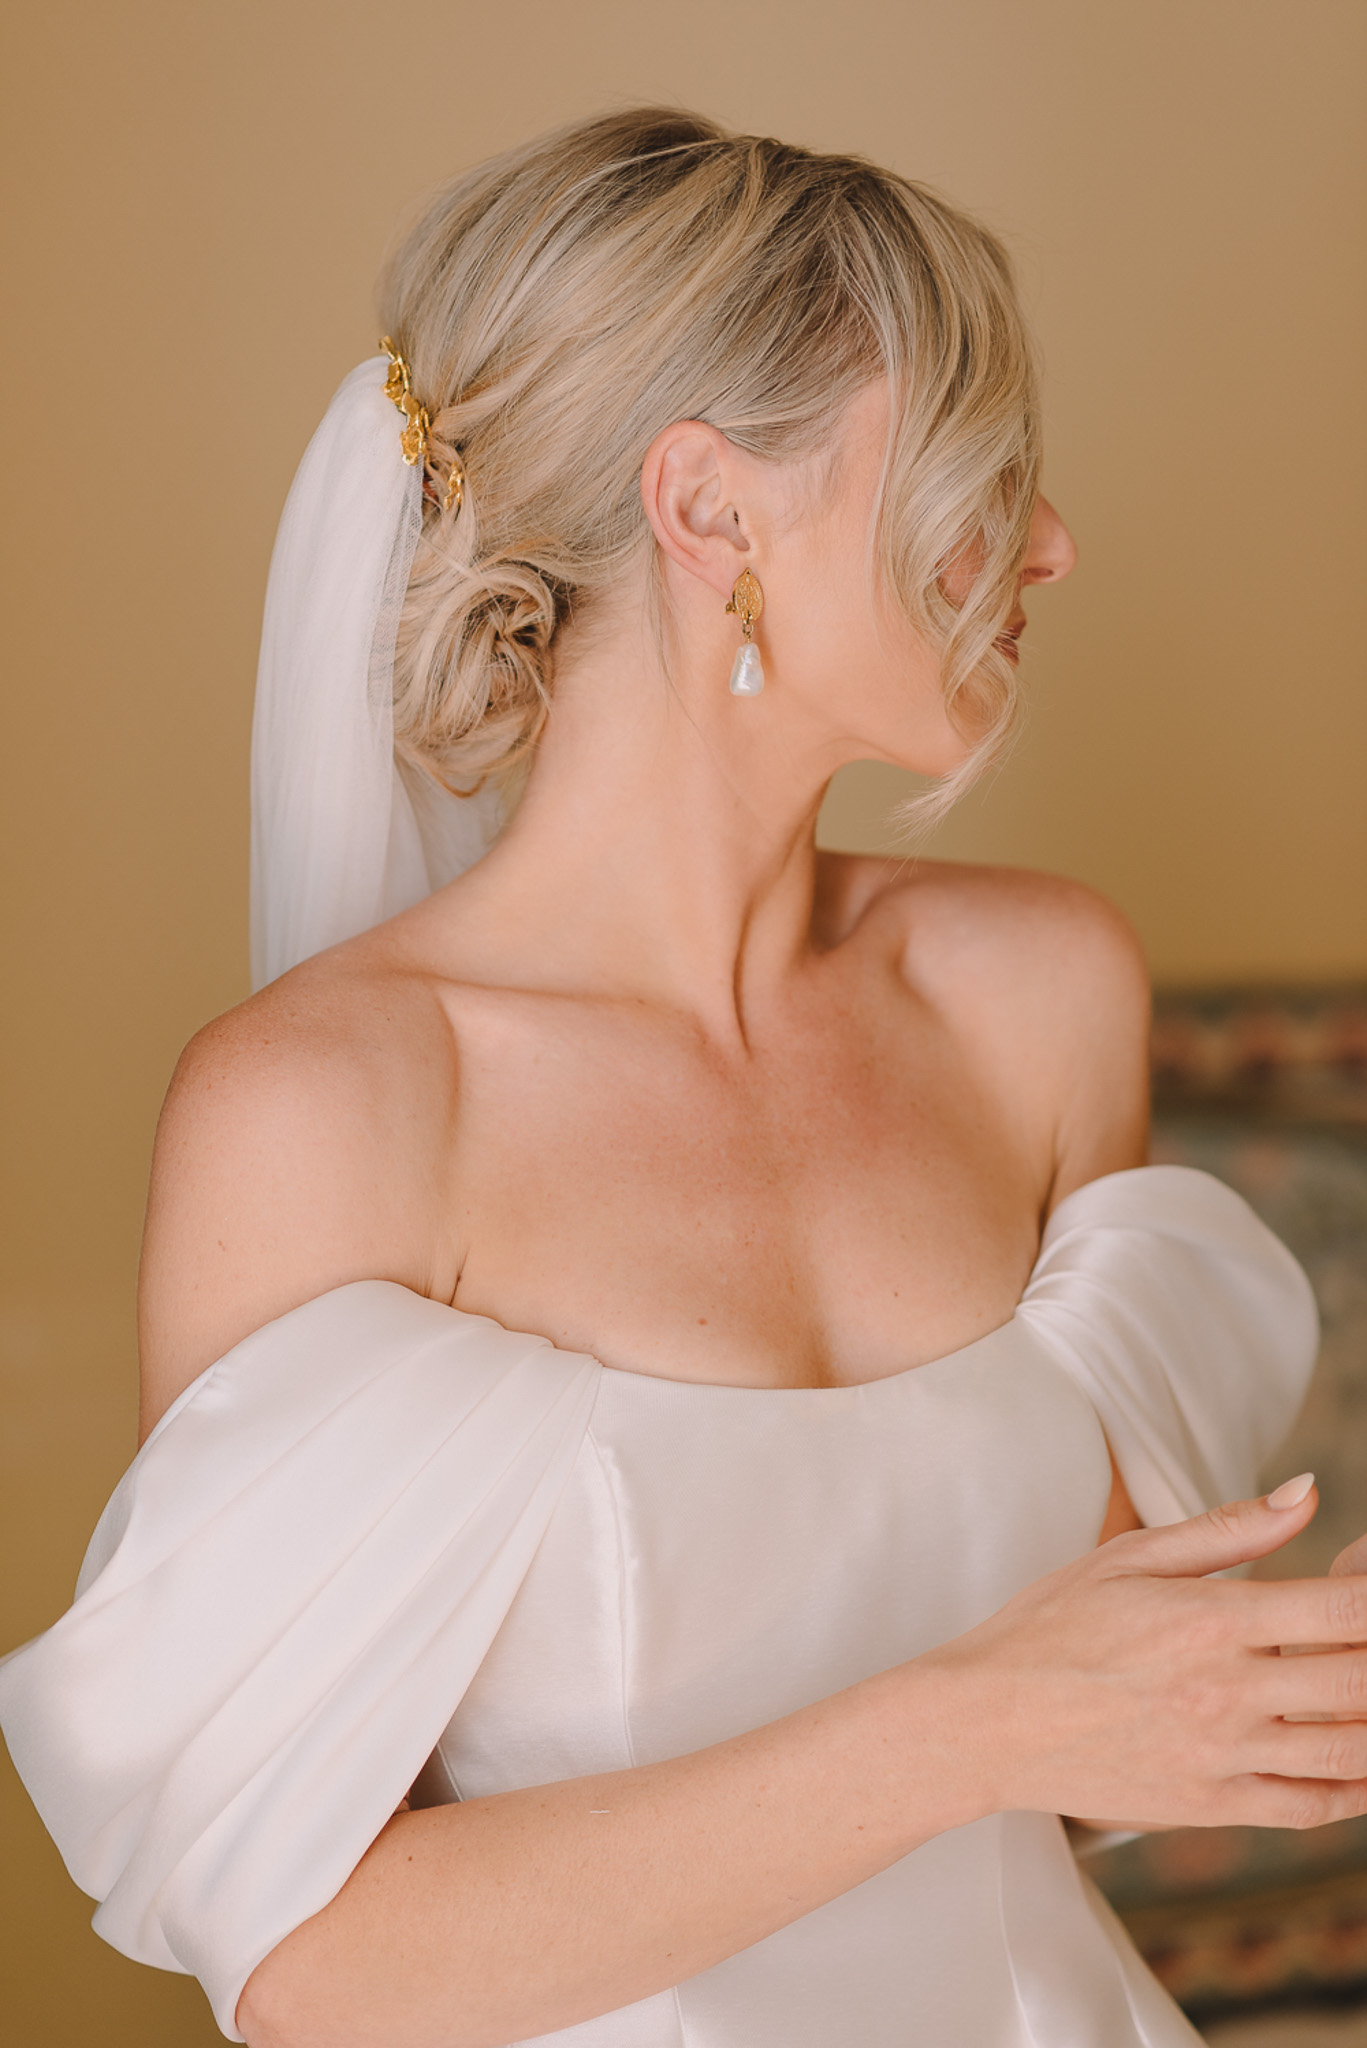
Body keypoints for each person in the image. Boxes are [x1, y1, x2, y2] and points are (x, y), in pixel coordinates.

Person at [2, 106, 1365, 2048]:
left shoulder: (1040, 991)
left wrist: (1250, 1692)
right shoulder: (331, 1106)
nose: (1047, 539)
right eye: (979, 464)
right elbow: (311, 1962)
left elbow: (1102, 1749)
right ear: (711, 511)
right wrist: (972, 1721)